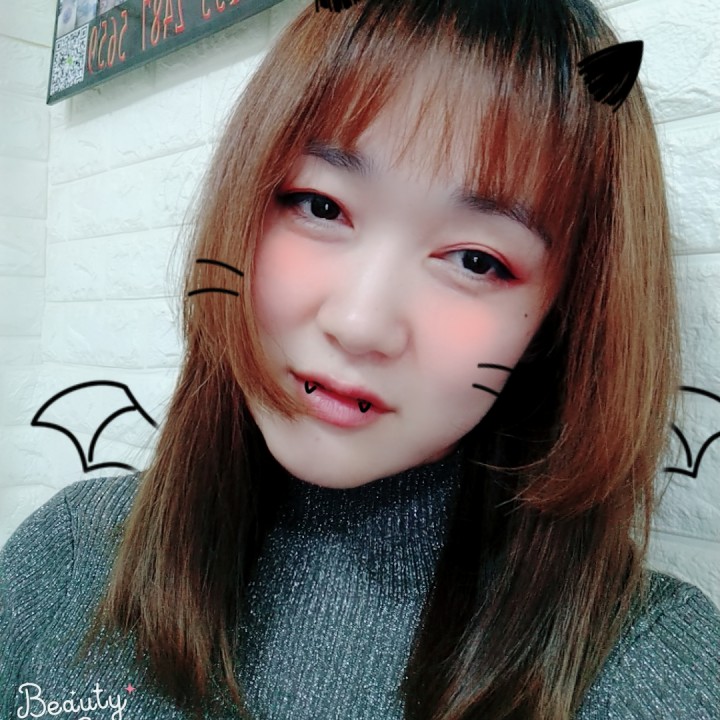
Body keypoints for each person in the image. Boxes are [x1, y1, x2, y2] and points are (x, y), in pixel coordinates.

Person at [1, 0, 719, 718]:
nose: (358, 323)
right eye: (320, 206)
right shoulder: (70, 552)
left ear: (560, 320)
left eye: (475, 260)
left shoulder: (648, 666)